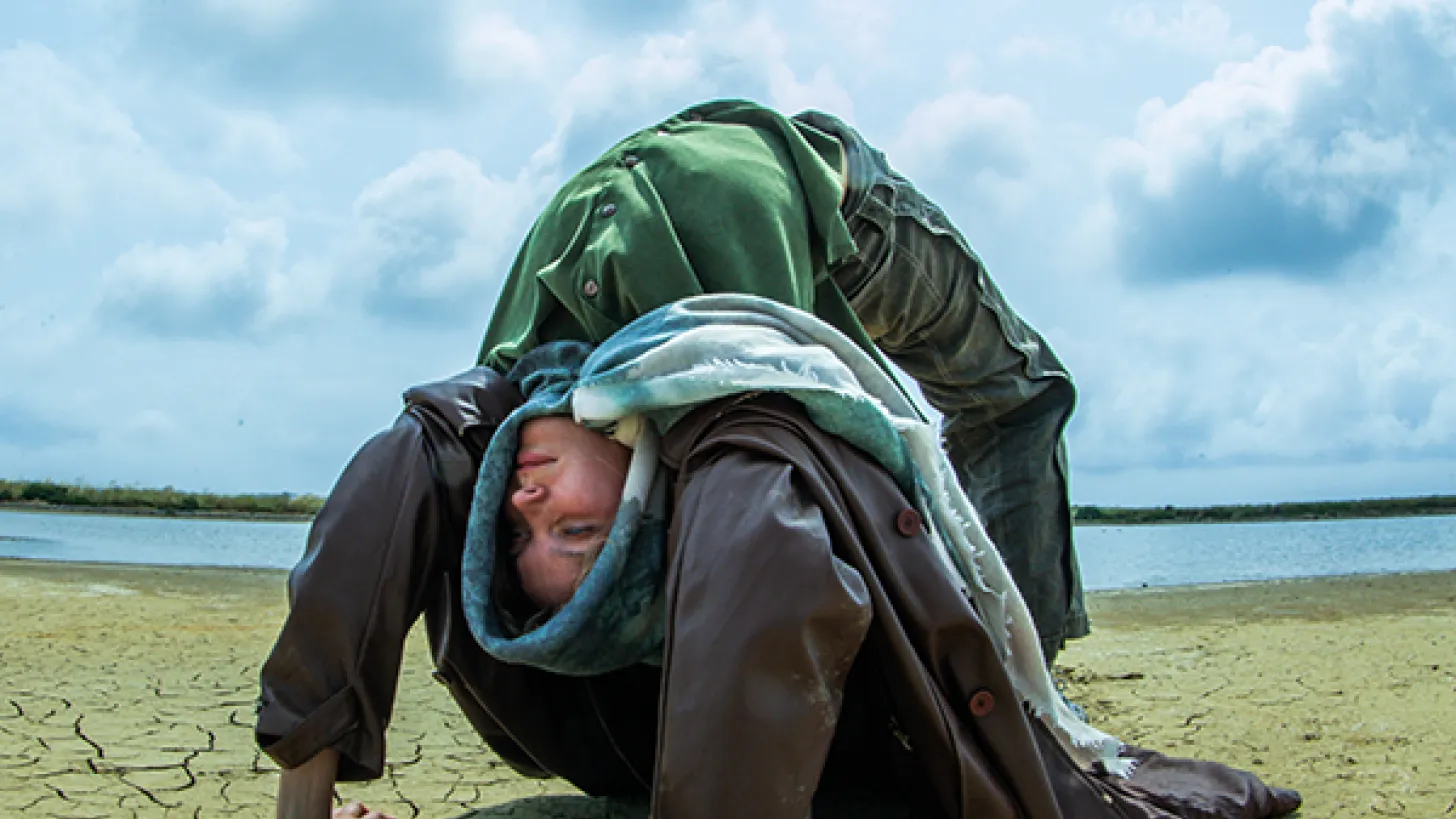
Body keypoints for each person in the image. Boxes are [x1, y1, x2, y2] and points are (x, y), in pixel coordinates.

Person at [259, 295, 1301, 819]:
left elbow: (422, 457)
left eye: (547, 525)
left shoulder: (537, 397)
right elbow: (754, 597)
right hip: (840, 764)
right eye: (563, 533)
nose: (523, 499)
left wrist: (300, 800)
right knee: (1027, 396)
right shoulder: (739, 461)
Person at [477, 99, 1085, 664]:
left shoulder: (509, 385)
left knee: (1008, 407)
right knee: (1016, 405)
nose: (522, 501)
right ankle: (1020, 674)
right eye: (572, 529)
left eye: (513, 535)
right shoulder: (739, 387)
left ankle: (1022, 669)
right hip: (800, 221)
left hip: (804, 195)